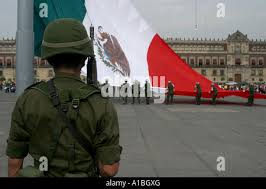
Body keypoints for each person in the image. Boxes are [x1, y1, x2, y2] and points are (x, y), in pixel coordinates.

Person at [6, 18, 122, 177]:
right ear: (84, 58)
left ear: (48, 57)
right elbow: (109, 170)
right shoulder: (102, 104)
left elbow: (14, 165)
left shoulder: (28, 99)